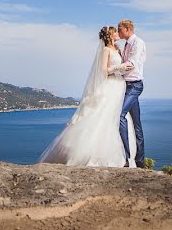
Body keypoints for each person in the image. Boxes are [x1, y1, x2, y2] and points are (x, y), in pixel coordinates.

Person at [38, 26, 134, 167]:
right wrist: (119, 68)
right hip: (110, 85)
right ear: (110, 35)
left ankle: (126, 155)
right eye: (114, 32)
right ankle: (93, 153)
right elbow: (103, 71)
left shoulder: (117, 49)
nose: (117, 33)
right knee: (103, 115)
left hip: (119, 85)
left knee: (116, 115)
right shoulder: (106, 50)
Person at [117, 19, 145, 169]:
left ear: (127, 29)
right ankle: (140, 161)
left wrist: (114, 70)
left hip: (135, 86)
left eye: (120, 29)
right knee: (137, 124)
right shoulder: (126, 44)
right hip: (126, 86)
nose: (118, 32)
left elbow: (131, 64)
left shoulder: (137, 43)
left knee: (120, 115)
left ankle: (128, 158)